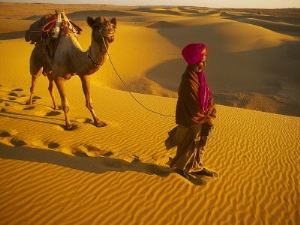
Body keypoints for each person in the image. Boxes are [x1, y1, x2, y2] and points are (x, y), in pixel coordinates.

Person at [165, 43, 217, 179]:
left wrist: (210, 108)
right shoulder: (188, 81)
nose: (204, 65)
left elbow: (207, 93)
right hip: (190, 118)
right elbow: (194, 106)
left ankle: (194, 166)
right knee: (188, 142)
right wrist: (208, 114)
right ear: (194, 61)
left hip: (199, 117)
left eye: (204, 61)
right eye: (202, 62)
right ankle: (180, 168)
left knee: (197, 143)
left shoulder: (199, 76)